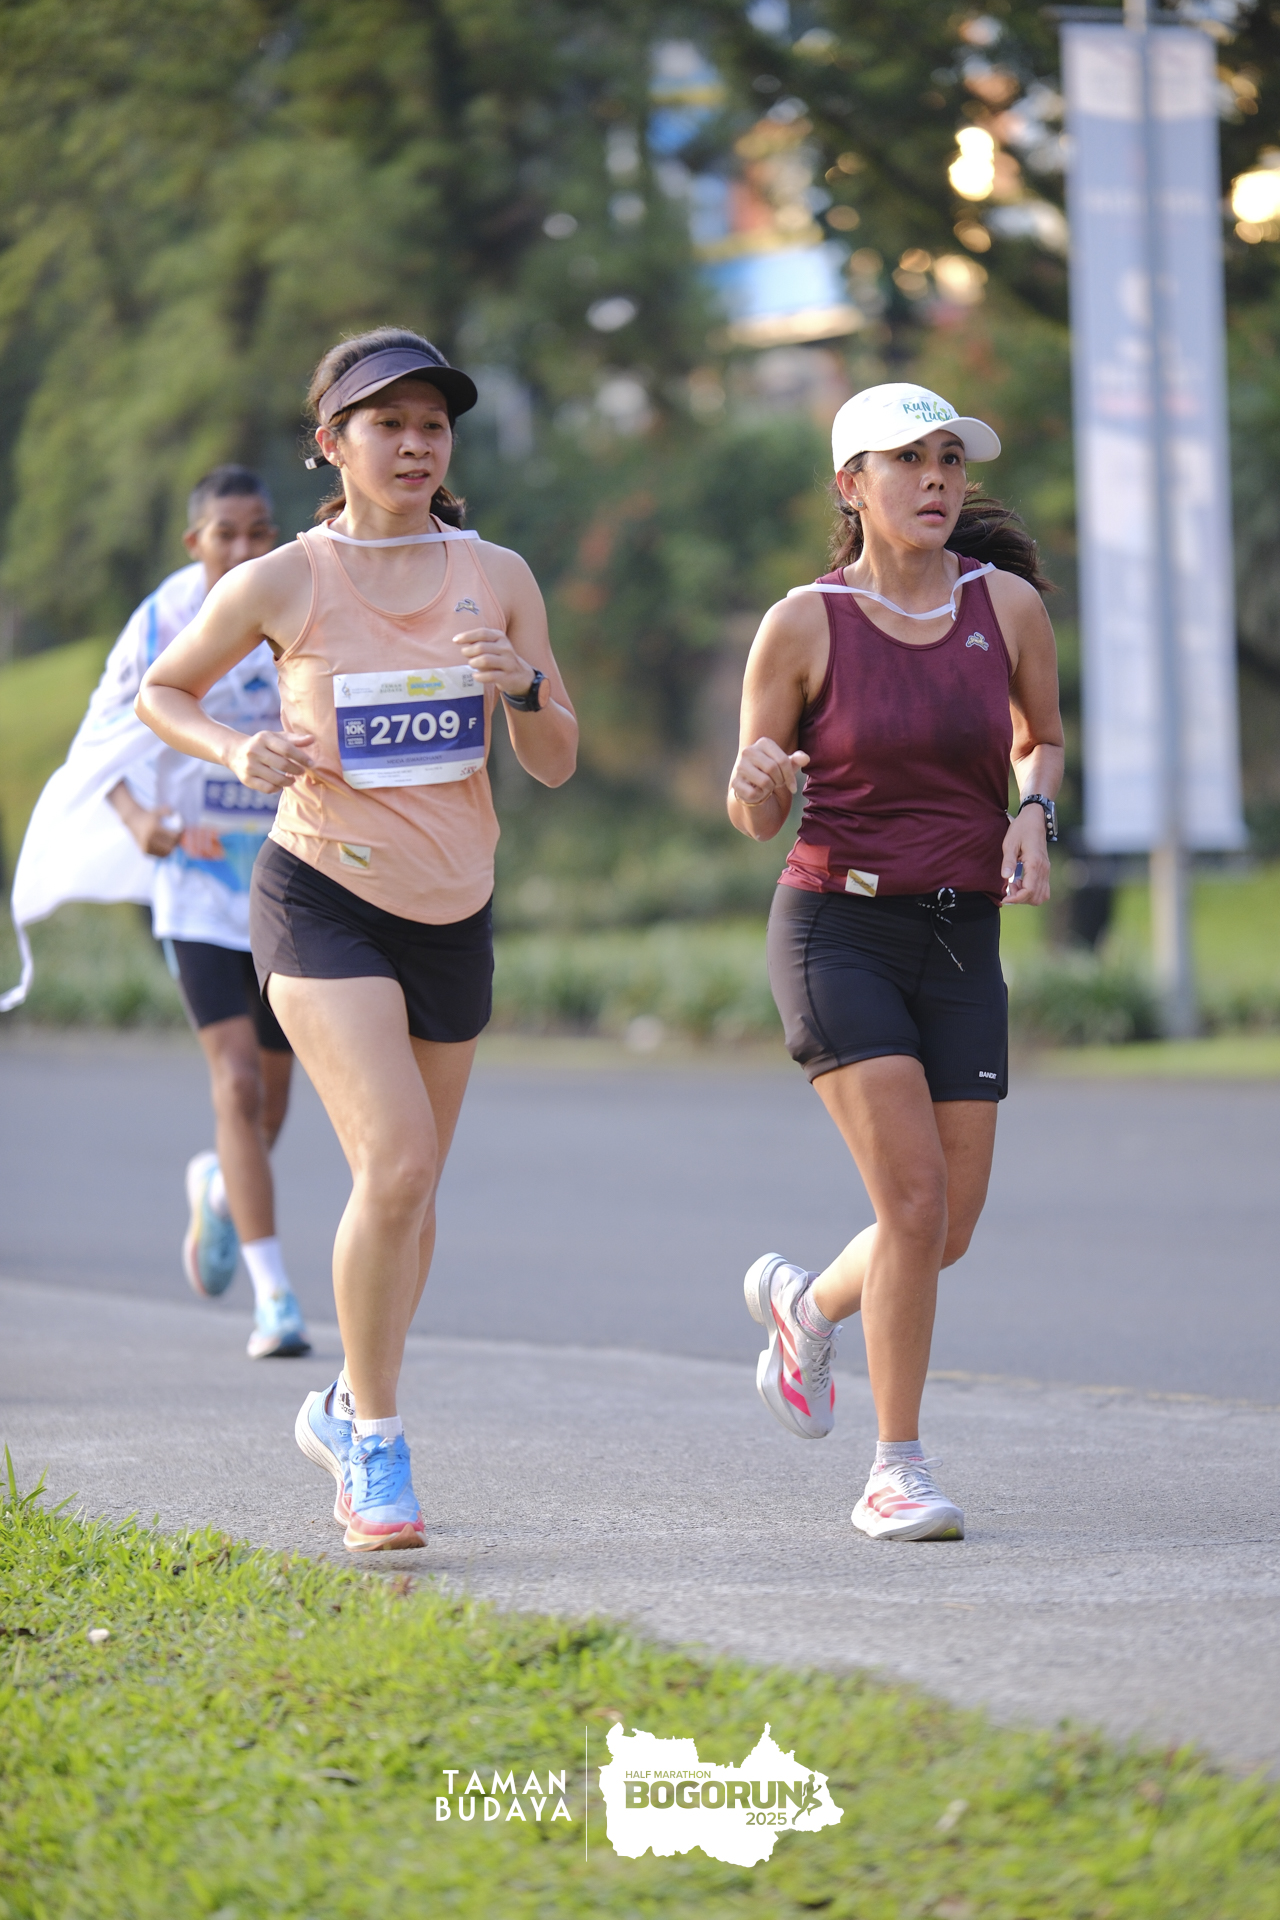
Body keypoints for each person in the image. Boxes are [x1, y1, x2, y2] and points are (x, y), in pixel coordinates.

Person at [136, 328, 578, 1551]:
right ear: (332, 443)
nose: (415, 444)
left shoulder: (497, 574)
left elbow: (554, 759)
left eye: (432, 425)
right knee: (394, 1164)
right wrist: (236, 748)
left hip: (454, 909)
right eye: (388, 424)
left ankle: (342, 1403)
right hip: (319, 893)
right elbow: (162, 691)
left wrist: (520, 686)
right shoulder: (283, 579)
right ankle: (375, 1443)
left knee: (413, 1189)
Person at [729, 382, 1063, 1542]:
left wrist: (1033, 812)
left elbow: (1039, 738)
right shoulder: (802, 623)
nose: (934, 480)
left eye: (948, 460)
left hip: (961, 932)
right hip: (838, 929)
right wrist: (755, 784)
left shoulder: (1004, 606)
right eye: (907, 460)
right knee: (912, 1202)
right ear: (849, 485)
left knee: (945, 1226)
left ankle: (804, 1304)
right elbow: (753, 809)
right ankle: (895, 1470)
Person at [3, 466, 310, 1360]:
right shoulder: (163, 622)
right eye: (227, 534)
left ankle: (221, 1185)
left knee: (272, 1100)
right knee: (237, 1084)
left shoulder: (300, 595)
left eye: (260, 531)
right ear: (194, 542)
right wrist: (142, 820)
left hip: (292, 882)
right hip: (197, 887)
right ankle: (275, 1299)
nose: (246, 548)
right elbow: (98, 745)